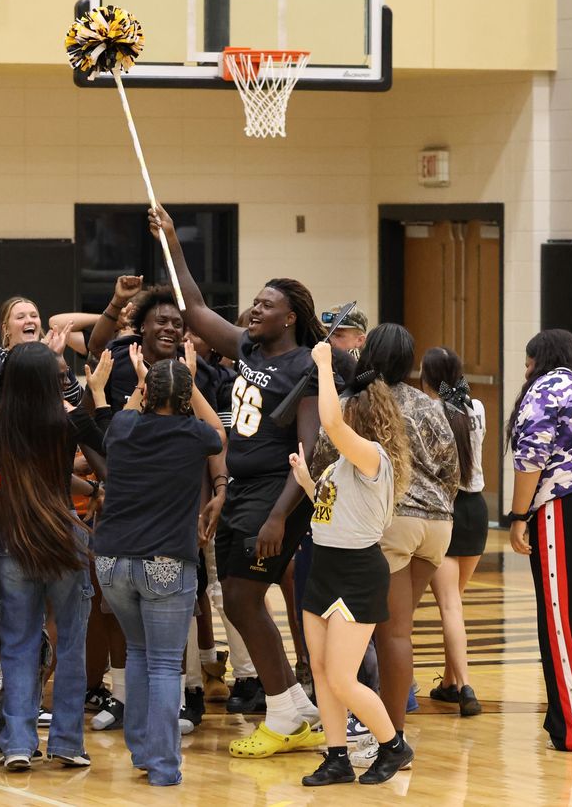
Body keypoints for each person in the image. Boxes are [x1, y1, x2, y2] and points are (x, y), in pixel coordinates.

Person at [149, 205, 325, 759]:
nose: (254, 310)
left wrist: (278, 514)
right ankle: (293, 706)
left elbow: (310, 450)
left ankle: (283, 712)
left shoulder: (304, 369)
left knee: (245, 599)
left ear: (290, 317)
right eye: (256, 302)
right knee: (240, 603)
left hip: (276, 496)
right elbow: (195, 307)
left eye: (267, 305)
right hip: (241, 495)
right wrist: (172, 241)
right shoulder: (248, 349)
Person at [313, 325, 458, 769]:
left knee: (391, 634)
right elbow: (453, 465)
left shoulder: (362, 404)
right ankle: (389, 733)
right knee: (402, 630)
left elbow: (325, 454)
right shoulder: (429, 404)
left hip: (392, 523)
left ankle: (392, 741)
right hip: (438, 525)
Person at [93, 342, 225, 785]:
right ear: (185, 399)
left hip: (112, 562)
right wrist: (188, 380)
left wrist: (140, 381)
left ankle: (143, 753)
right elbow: (218, 433)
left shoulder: (124, 427)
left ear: (146, 394)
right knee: (167, 664)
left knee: (138, 652)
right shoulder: (194, 435)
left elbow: (125, 417)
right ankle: (165, 767)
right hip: (165, 563)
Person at [290, 341, 415, 786]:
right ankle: (337, 756)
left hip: (357, 571)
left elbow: (328, 420)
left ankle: (393, 745)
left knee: (343, 677)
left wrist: (324, 364)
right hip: (323, 564)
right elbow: (331, 514)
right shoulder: (341, 466)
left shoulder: (372, 457)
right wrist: (307, 482)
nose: (337, 416)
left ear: (360, 417)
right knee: (322, 671)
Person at [0, 342, 111, 770]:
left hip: (13, 538)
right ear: (49, 380)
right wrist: (94, 398)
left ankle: (18, 744)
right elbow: (109, 456)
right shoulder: (70, 419)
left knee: (18, 645)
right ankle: (65, 742)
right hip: (66, 536)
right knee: (72, 644)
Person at [508, 328, 572, 753]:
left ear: (539, 359)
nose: (526, 373)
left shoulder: (549, 385)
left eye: (527, 364)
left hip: (566, 504)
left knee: (564, 620)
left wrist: (517, 515)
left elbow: (531, 454)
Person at [421, 347, 487, 717]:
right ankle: (448, 682)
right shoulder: (477, 408)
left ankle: (465, 686)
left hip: (446, 510)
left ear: (426, 379)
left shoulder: (429, 411)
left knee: (450, 606)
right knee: (455, 605)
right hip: (476, 511)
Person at [0, 296, 83, 404]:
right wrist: (39, 359)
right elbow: (8, 393)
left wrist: (55, 358)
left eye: (34, 316)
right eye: (20, 317)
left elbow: (75, 398)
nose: (29, 320)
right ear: (6, 328)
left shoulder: (52, 355)